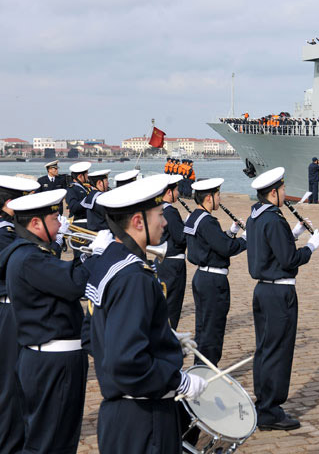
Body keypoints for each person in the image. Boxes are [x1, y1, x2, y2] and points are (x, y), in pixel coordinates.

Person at [85, 176, 207, 453]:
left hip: (119, 413)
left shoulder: (108, 262)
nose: (164, 222)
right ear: (138, 222)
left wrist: (165, 339)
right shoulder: (134, 278)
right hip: (143, 414)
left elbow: (92, 333)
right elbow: (127, 360)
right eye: (159, 214)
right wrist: (179, 381)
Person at [0, 189, 89, 454]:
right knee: (49, 444)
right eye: (55, 217)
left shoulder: (33, 253)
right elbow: (76, 283)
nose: (61, 222)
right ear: (36, 223)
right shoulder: (29, 258)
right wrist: (94, 256)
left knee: (57, 440)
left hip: (52, 360)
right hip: (52, 362)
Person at [247, 167, 319, 430]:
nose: (285, 194)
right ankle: (271, 409)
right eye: (282, 190)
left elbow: (270, 248)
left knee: (265, 348)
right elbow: (289, 259)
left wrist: (293, 234)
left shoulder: (256, 217)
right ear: (273, 192)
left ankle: (264, 402)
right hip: (279, 292)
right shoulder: (273, 218)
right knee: (278, 350)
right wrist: (311, 246)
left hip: (262, 290)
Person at [185, 178, 247, 366]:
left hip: (202, 276)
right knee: (213, 328)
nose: (220, 199)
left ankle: (200, 366)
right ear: (209, 198)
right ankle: (207, 368)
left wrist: (231, 231)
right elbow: (227, 249)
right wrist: (246, 239)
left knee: (203, 327)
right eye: (218, 195)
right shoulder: (207, 221)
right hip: (213, 280)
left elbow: (211, 244)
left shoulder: (194, 217)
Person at [0, 176, 40, 454]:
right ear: (12, 203)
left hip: (11, 306)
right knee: (10, 386)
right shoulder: (5, 232)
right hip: (8, 308)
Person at [156, 174, 188, 329]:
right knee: (173, 306)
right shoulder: (170, 211)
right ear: (169, 192)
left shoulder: (157, 208)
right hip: (173, 263)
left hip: (163, 260)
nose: (178, 194)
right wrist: (189, 227)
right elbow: (181, 238)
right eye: (176, 190)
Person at [65, 161, 92, 226]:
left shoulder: (85, 187)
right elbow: (73, 207)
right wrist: (88, 199)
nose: (87, 176)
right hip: (79, 222)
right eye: (86, 174)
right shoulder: (71, 188)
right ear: (80, 176)